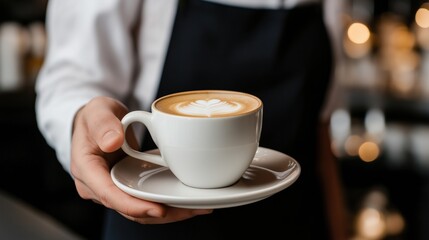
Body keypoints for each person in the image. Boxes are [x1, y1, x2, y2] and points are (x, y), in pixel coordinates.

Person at [36, 0, 336, 239]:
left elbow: (321, 127)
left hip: (297, 218)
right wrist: (83, 121)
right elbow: (71, 77)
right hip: (159, 222)